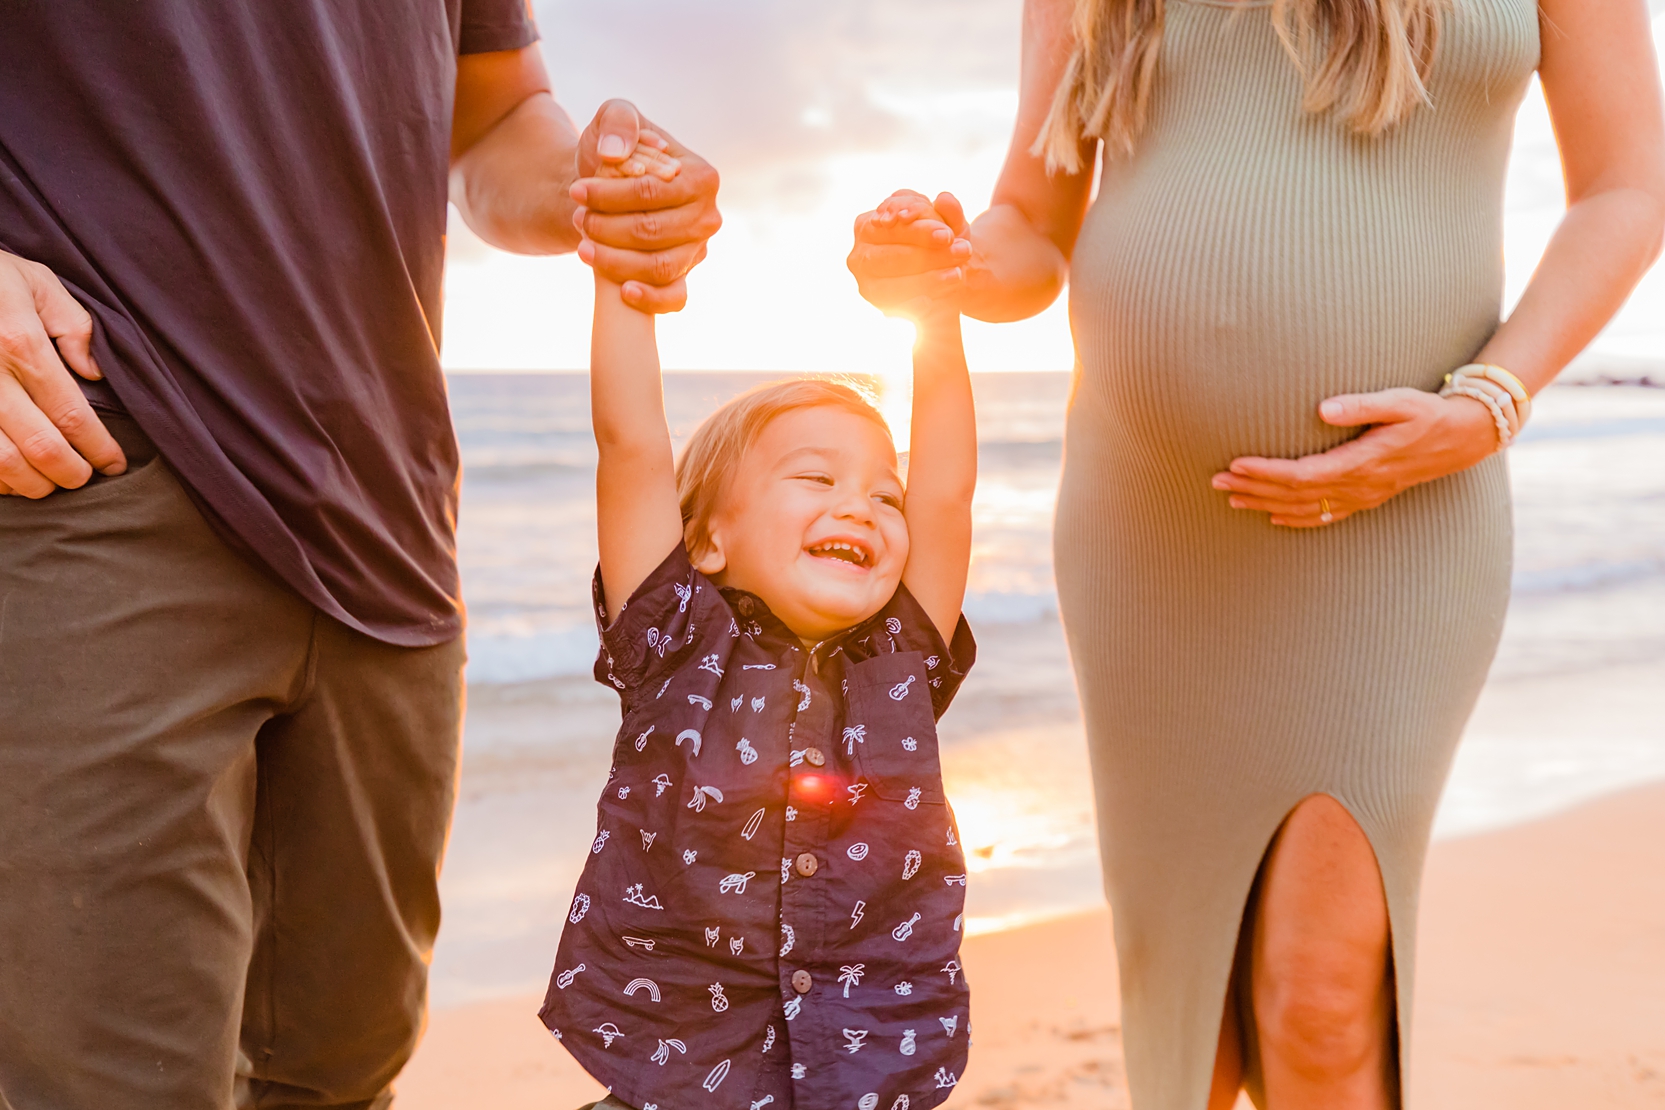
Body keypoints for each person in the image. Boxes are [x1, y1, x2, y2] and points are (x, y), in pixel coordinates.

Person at [848, 0, 1665, 1107]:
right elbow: (1031, 224)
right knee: (1191, 1025)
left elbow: (1627, 185)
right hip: (1151, 529)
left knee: (1319, 998)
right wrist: (942, 260)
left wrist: (1489, 400)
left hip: (1403, 528)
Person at [0, 6, 719, 1109]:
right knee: (110, 1084)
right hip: (90, 468)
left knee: (341, 1076)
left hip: (386, 516)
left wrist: (595, 178)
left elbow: (492, 121)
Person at [539, 180, 979, 1110]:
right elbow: (631, 447)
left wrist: (933, 319)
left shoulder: (899, 658)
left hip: (868, 1064)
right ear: (707, 539)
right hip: (674, 1061)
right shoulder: (672, 641)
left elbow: (944, 495)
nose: (859, 503)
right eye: (814, 476)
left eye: (879, 495)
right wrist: (629, 277)